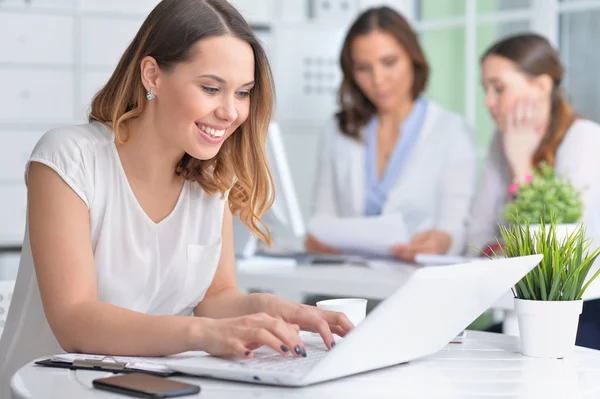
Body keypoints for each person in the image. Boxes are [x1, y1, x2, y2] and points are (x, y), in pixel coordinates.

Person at [0, 0, 353, 393]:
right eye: (211, 88)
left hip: (148, 385)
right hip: (47, 388)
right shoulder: (69, 159)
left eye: (243, 93)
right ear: (152, 75)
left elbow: (215, 297)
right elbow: (75, 320)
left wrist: (270, 307)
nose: (231, 112)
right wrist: (203, 334)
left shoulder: (212, 180)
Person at [305, 6, 477, 262]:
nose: (378, 79)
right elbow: (321, 222)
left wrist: (441, 241)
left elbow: (455, 228)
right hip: (346, 283)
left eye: (389, 63)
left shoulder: (452, 131)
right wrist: (318, 240)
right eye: (364, 68)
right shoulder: (337, 130)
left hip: (418, 284)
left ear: (412, 58)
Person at [468, 33, 600, 348]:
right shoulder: (500, 143)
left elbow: (556, 256)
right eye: (486, 89)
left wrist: (521, 165)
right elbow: (476, 237)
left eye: (498, 88)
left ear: (541, 86)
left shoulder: (584, 140)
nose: (488, 101)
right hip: (517, 305)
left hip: (581, 313)